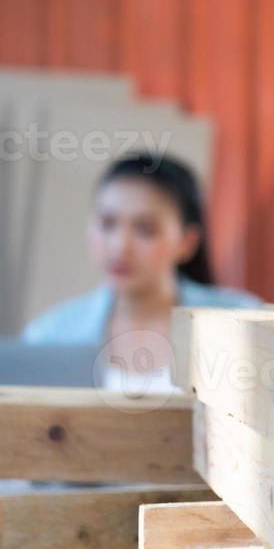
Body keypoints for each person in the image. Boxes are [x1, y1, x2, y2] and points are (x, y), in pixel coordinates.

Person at [23, 153, 261, 384]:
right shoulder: (49, 337)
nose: (120, 246)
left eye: (145, 230)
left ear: (186, 242)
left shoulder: (246, 324)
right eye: (107, 224)